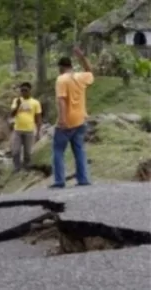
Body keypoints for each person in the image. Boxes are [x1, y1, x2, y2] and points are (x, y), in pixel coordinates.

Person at [50, 47, 94, 189]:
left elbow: (62, 100)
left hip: (67, 120)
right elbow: (90, 72)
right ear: (71, 66)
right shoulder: (81, 77)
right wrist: (82, 57)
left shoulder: (61, 80)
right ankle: (83, 179)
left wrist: (62, 119)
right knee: (79, 150)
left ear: (61, 67)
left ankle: (59, 181)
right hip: (81, 119)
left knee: (58, 150)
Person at [10, 82, 42, 172]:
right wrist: (17, 106)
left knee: (27, 151)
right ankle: (17, 168)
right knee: (15, 150)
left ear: (30, 91)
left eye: (25, 90)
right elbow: (12, 114)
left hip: (29, 130)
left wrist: (38, 132)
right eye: (22, 91)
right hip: (17, 130)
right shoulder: (16, 101)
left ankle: (26, 167)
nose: (23, 92)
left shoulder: (35, 103)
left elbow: (38, 117)